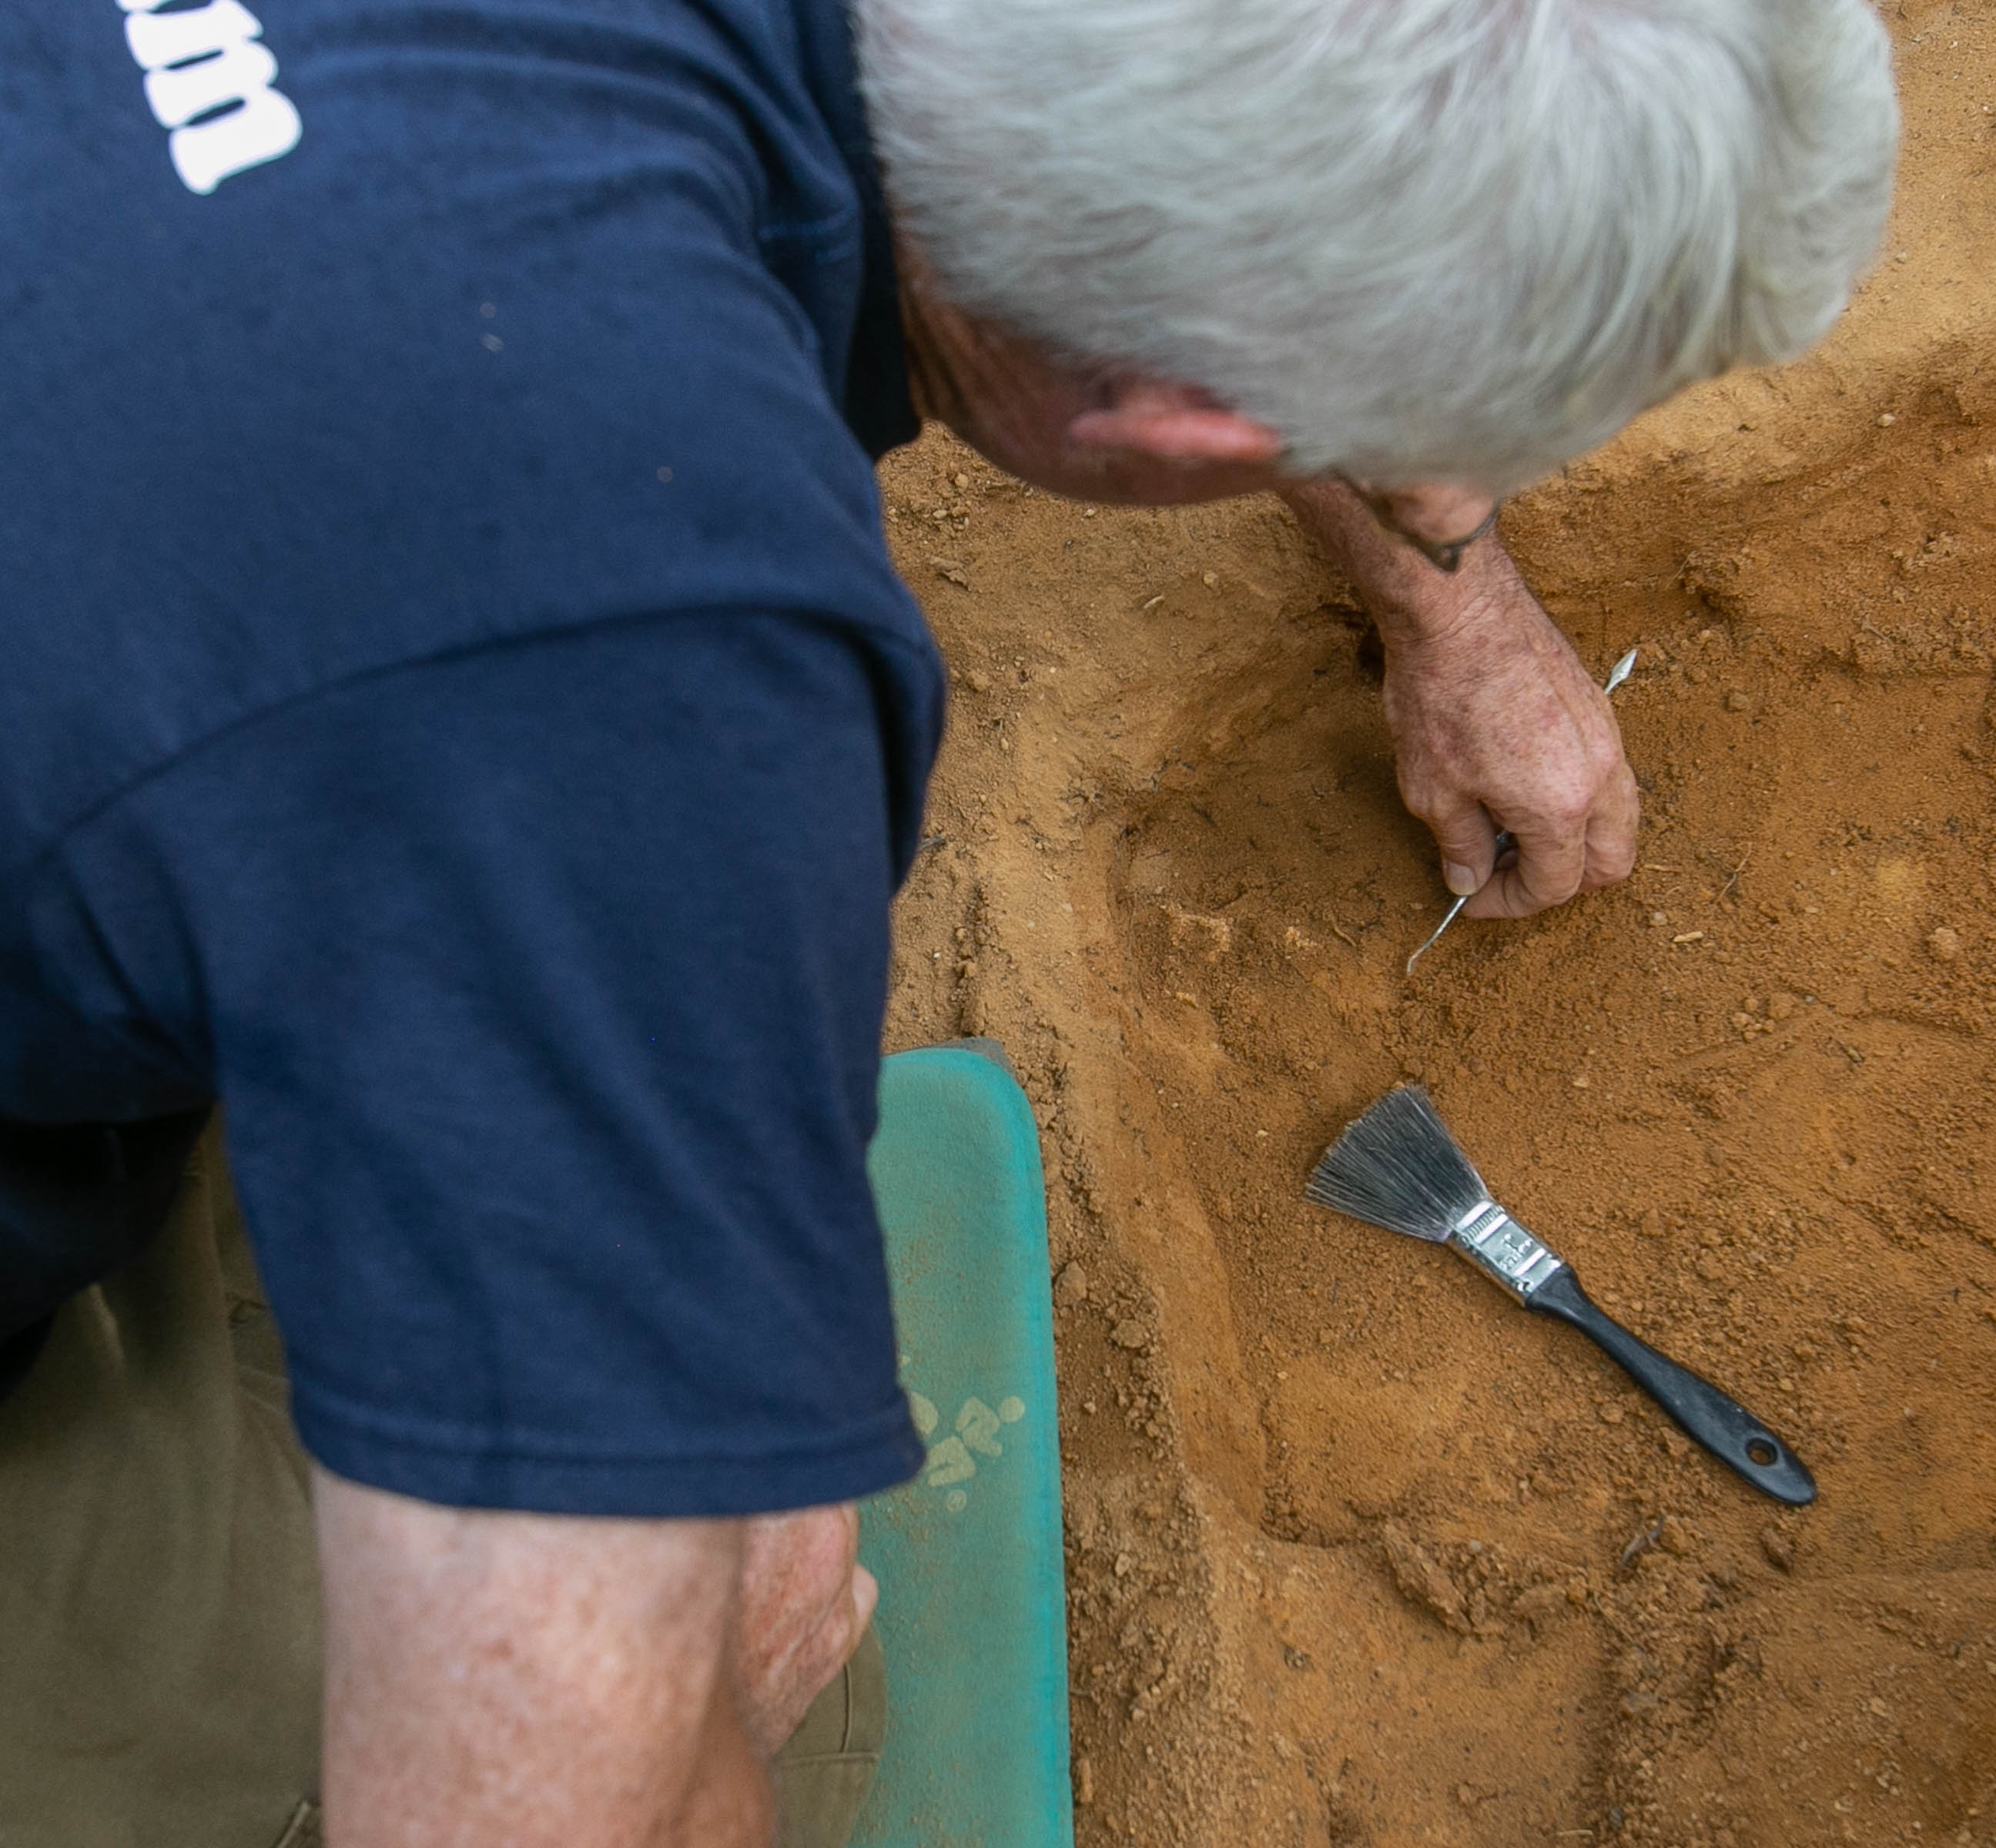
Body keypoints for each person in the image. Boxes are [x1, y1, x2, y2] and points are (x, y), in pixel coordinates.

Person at [0, 0, 1897, 1840]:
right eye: (1433, 453)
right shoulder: (652, 693)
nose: (1443, 497)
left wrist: (1451, 603)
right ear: (1190, 419)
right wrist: (676, 1705)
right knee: (775, 1699)